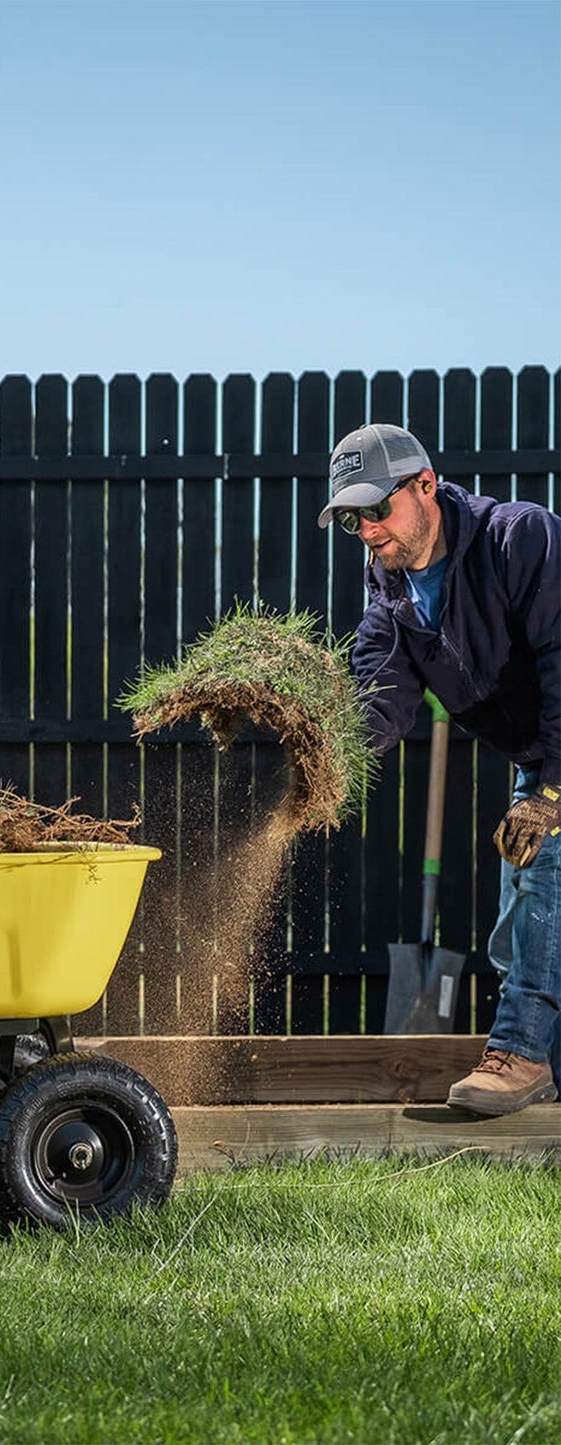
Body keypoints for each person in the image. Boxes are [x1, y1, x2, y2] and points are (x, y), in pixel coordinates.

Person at [319, 421, 561, 1115]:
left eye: (376, 509)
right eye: (351, 519)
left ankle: (518, 1051)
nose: (366, 531)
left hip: (553, 755)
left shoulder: (519, 539)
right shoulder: (391, 586)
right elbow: (381, 689)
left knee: (544, 875)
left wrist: (548, 790)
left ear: (424, 485)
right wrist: (331, 753)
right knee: (523, 917)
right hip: (539, 758)